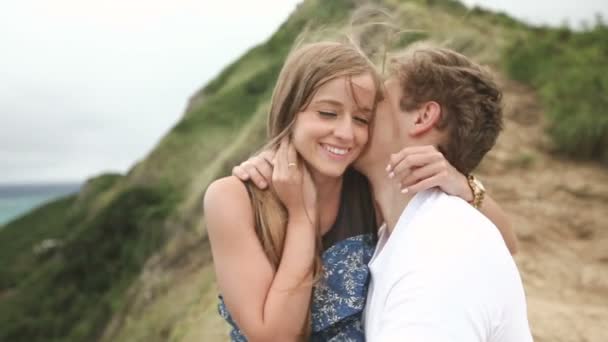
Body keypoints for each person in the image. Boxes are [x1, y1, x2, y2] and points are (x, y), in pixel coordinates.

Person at [229, 44, 524, 342]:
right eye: (331, 112)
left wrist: (464, 184)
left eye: (371, 109)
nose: (351, 129)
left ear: (423, 117)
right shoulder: (400, 224)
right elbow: (504, 241)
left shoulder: (440, 253)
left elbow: (503, 241)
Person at [204, 40, 384, 341]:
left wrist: (466, 187)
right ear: (290, 112)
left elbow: (488, 238)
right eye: (327, 113)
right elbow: (275, 337)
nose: (345, 133)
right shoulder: (232, 199)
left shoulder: (372, 188)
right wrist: (302, 216)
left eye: (361, 119)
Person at [357, 47, 533, 340]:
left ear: (423, 116)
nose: (359, 114)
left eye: (379, 101)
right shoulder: (403, 231)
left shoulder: (442, 249)